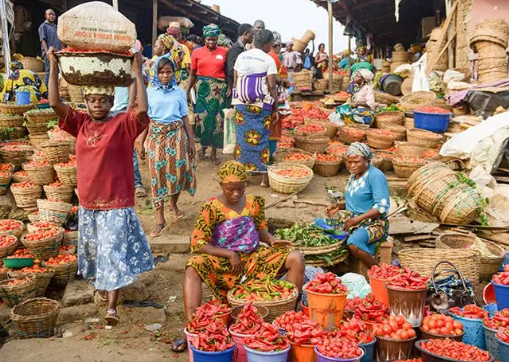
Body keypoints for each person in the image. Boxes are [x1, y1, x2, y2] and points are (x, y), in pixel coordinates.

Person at [47, 47, 154, 325]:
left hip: (116, 202)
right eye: (92, 100)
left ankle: (112, 308)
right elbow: (54, 103)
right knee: (97, 253)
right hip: (89, 203)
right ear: (86, 103)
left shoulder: (122, 124)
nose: (97, 104)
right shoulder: (79, 122)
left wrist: (137, 69)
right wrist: (53, 65)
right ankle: (104, 292)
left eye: (103, 100)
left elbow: (142, 108)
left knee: (112, 253)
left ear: (110, 103)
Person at [183, 161, 305, 319]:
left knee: (296, 258)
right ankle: (192, 323)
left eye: (241, 189)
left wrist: (271, 239)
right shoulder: (212, 207)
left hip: (254, 258)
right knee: (193, 266)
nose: (236, 194)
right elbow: (198, 243)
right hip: (223, 261)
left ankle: (287, 315)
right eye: (230, 189)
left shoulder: (254, 203)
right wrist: (229, 254)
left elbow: (260, 230)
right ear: (221, 186)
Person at [142, 55, 197, 237]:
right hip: (156, 136)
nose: (165, 75)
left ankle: (173, 204)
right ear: (156, 73)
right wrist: (141, 142)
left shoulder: (179, 92)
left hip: (177, 136)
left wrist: (191, 141)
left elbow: (184, 118)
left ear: (173, 72)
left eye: (168, 72)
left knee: (178, 173)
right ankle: (160, 219)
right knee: (157, 176)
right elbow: (145, 119)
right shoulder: (149, 92)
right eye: (162, 72)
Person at [326, 143, 389, 269]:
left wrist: (356, 219)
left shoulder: (375, 176)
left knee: (354, 244)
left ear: (367, 160)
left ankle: (378, 272)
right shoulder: (354, 175)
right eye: (349, 162)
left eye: (356, 161)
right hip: (353, 220)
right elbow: (358, 201)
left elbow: (381, 207)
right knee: (322, 230)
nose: (352, 165)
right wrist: (339, 206)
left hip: (374, 223)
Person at [232, 29, 278, 187]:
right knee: (262, 140)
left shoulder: (241, 56)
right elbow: (272, 86)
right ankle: (263, 179)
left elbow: (235, 80)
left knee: (242, 140)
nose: (271, 47)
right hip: (261, 106)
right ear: (266, 44)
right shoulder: (268, 59)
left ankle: (242, 176)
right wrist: (275, 108)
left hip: (241, 104)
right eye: (271, 45)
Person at [186, 24, 228, 165]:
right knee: (202, 120)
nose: (211, 42)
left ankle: (214, 153)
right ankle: (203, 149)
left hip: (219, 92)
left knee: (217, 122)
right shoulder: (197, 53)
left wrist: (230, 87)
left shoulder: (224, 52)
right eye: (209, 39)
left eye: (214, 39)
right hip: (203, 91)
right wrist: (186, 91)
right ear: (205, 38)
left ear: (217, 38)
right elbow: (192, 75)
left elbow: (228, 74)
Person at [111, 85, 147, 198]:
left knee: (128, 148)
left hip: (123, 111)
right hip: (107, 111)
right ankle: (117, 184)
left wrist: (130, 106)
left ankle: (137, 183)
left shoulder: (124, 69)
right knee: (110, 151)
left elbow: (134, 82)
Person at [226, 24, 254, 92]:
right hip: (236, 87)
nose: (253, 37)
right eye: (252, 34)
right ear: (246, 33)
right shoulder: (235, 49)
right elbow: (230, 71)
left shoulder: (243, 49)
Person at [38, 9, 62, 86]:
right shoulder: (43, 26)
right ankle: (46, 93)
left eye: (53, 15)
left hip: (57, 53)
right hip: (49, 53)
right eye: (50, 14)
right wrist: (47, 52)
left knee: (57, 73)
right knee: (49, 72)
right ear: (46, 16)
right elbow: (43, 40)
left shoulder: (56, 27)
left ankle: (54, 93)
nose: (52, 16)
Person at [167, 22, 192, 88]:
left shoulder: (163, 47)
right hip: (181, 77)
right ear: (178, 35)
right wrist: (191, 78)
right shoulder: (183, 47)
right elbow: (187, 65)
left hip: (166, 76)